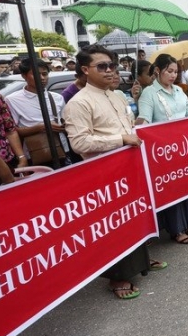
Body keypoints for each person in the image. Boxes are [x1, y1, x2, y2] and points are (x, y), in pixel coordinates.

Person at [64, 45, 164, 300]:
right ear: (85, 70)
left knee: (135, 215)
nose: (109, 71)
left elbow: (130, 126)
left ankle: (141, 262)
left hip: (129, 167)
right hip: (103, 175)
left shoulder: (118, 95)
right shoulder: (79, 103)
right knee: (114, 225)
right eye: (102, 66)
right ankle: (118, 278)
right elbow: (80, 144)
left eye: (112, 65)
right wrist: (121, 140)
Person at [136, 53, 188, 244]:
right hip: (163, 152)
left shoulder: (178, 91)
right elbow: (144, 123)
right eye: (169, 71)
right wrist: (137, 108)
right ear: (158, 71)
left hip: (183, 149)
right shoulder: (149, 94)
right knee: (172, 189)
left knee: (187, 186)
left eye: (176, 71)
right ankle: (176, 229)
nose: (173, 75)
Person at [5, 58, 69, 167]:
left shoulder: (57, 98)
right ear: (24, 76)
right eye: (36, 74)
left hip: (62, 150)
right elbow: (12, 131)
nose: (42, 78)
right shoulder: (12, 100)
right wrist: (42, 127)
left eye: (45, 74)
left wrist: (63, 127)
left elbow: (67, 122)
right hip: (34, 154)